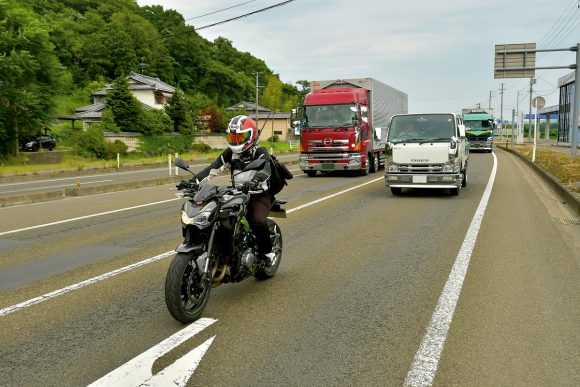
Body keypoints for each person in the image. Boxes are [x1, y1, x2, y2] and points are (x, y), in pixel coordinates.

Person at [195, 115, 275, 266]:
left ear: (251, 136)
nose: (236, 140)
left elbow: (266, 168)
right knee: (219, 217)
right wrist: (193, 181)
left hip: (258, 194)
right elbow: (213, 168)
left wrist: (256, 180)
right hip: (237, 193)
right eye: (233, 136)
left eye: (240, 136)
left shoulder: (260, 151)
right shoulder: (230, 153)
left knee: (257, 221)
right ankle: (224, 250)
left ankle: (267, 252)